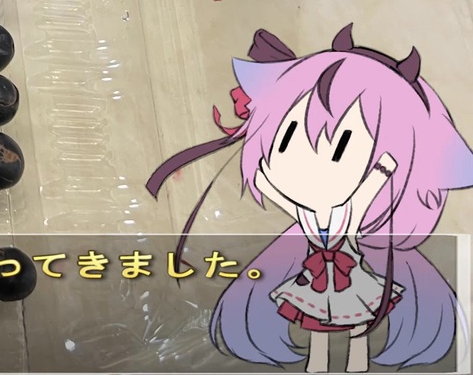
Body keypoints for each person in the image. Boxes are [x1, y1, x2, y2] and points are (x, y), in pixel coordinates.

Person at [147, 25, 472, 372]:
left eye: (340, 149)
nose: (304, 165)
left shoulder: (350, 213)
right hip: (317, 277)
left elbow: (361, 198)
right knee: (318, 324)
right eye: (285, 139)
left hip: (350, 276)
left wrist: (381, 173)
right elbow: (286, 195)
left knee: (358, 324)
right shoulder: (307, 218)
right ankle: (318, 364)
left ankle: (356, 364)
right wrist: (267, 180)